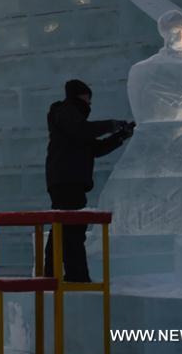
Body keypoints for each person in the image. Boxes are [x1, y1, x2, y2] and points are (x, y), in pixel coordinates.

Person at [43, 79, 133, 282]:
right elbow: (83, 131)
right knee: (72, 228)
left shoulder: (72, 121)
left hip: (65, 180)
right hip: (67, 180)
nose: (90, 105)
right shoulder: (65, 113)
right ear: (79, 96)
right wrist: (111, 125)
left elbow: (94, 148)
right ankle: (76, 276)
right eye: (88, 99)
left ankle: (51, 274)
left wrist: (120, 136)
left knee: (63, 228)